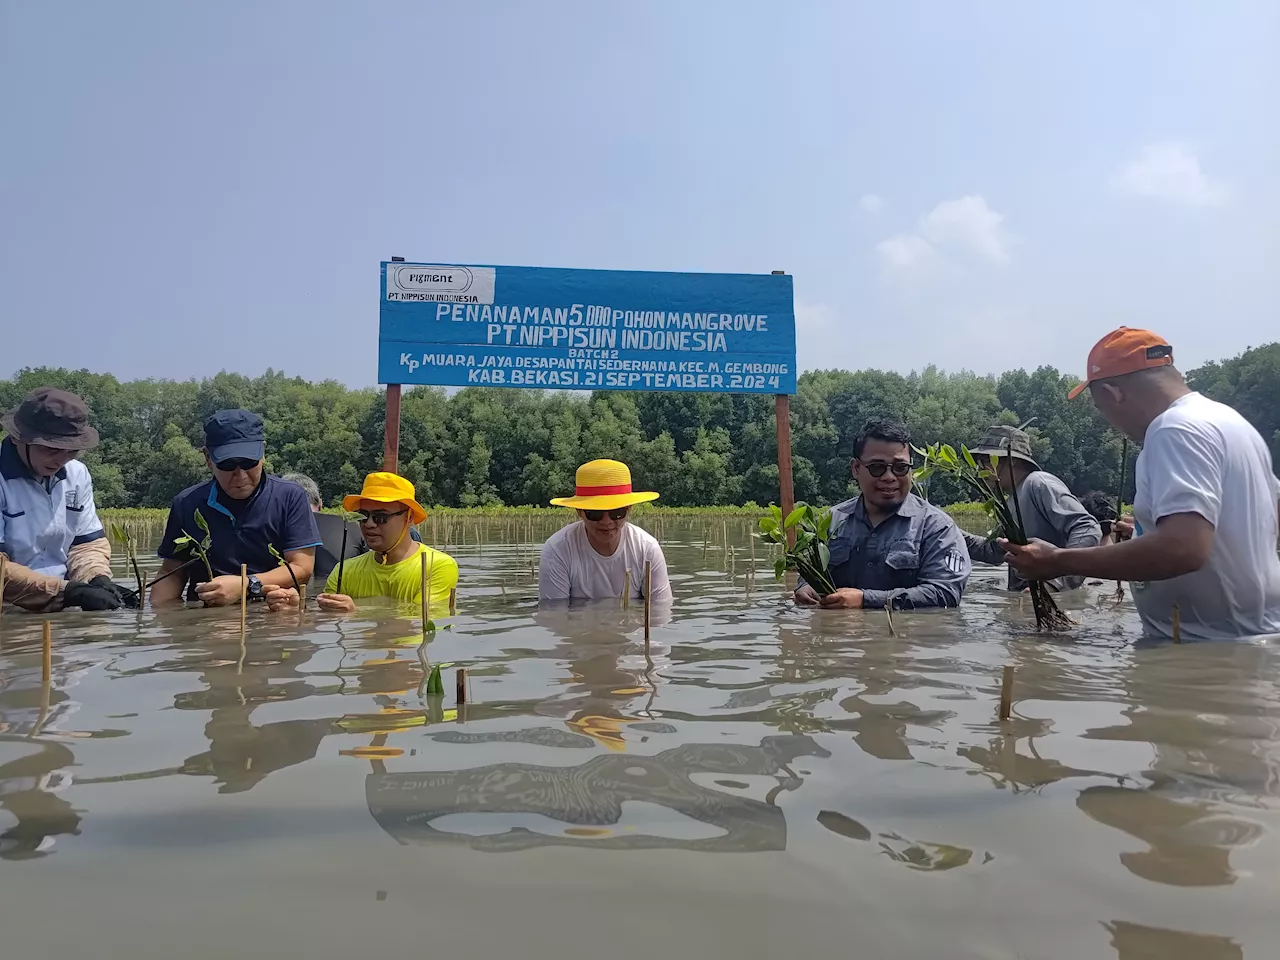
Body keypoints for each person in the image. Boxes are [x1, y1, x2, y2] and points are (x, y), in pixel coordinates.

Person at [1003, 327, 1280, 640]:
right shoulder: (1231, 422)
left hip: (1205, 651)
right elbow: (1266, 517)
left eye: (1101, 408)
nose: (1110, 420)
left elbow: (1183, 549)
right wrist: (1151, 528)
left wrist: (1057, 561)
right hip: (1253, 638)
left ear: (1114, 394)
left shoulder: (1173, 430)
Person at [794, 418, 970, 609]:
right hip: (839, 637)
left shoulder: (937, 527)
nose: (889, 477)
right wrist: (805, 587)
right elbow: (809, 573)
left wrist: (866, 600)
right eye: (877, 468)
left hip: (907, 637)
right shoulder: (829, 522)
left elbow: (945, 593)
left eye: (900, 468)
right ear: (856, 468)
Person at [151, 410, 321, 606]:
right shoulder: (186, 503)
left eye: (249, 462)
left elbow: (302, 568)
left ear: (263, 454)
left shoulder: (290, 497)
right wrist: (157, 621)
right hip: (206, 617)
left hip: (271, 612)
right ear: (208, 459)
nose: (240, 475)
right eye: (228, 464)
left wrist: (246, 585)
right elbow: (171, 572)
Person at [0, 387, 135, 611]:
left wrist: (96, 578)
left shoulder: (77, 474)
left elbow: (86, 545)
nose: (61, 460)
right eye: (51, 449)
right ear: (17, 439)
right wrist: (68, 592)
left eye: (71, 450)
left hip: (62, 604)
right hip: (7, 611)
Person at [266, 472, 456, 613]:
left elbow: (421, 622)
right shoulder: (345, 570)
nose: (370, 524)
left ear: (409, 518)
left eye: (381, 517)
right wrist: (297, 609)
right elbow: (326, 620)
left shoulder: (436, 566)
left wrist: (357, 612)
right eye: (364, 516)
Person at [961, 424, 1101, 591]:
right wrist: (945, 528)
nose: (980, 469)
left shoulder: (1038, 483)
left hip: (1051, 600)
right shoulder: (1011, 500)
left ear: (1011, 459)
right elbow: (992, 551)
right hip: (1025, 600)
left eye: (985, 461)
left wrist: (1056, 583)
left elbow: (1087, 528)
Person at [540, 459, 672, 602]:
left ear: (629, 509)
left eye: (617, 512)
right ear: (579, 511)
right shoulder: (557, 550)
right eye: (595, 513)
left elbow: (660, 612)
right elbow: (554, 616)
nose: (606, 521)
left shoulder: (647, 549)